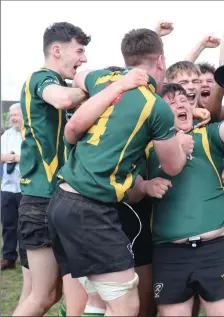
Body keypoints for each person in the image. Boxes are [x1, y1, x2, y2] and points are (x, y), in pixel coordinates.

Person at [47, 28, 193, 316]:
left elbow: (79, 75)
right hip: (90, 208)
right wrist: (181, 144)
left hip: (62, 200)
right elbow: (173, 166)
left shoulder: (103, 78)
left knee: (96, 299)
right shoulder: (156, 107)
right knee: (126, 305)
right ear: (161, 62)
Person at [149, 46, 224, 317]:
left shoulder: (208, 137)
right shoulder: (146, 147)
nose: (181, 104)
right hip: (169, 252)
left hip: (213, 249)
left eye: (185, 100)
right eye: (172, 102)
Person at [14, 22, 91, 317]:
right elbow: (62, 99)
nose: (83, 59)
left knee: (41, 294)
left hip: (44, 199)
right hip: (42, 200)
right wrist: (100, 86)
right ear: (57, 50)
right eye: (79, 51)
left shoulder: (58, 83)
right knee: (43, 296)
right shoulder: (43, 78)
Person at [1, 103, 24, 271]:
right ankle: (8, 257)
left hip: (26, 188)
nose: (13, 118)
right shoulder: (7, 135)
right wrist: (5, 157)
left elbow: (34, 158)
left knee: (25, 225)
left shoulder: (30, 134)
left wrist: (16, 158)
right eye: (12, 116)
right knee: (8, 224)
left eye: (16, 115)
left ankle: (27, 259)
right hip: (8, 187)